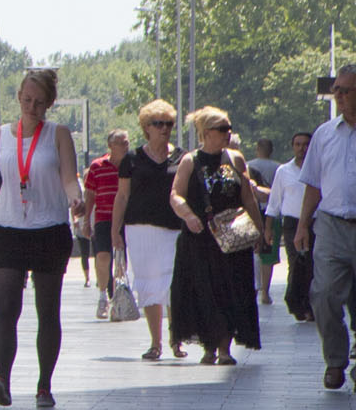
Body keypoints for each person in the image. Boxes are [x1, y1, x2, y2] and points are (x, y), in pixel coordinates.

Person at [0, 69, 87, 407]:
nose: (32, 107)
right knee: (6, 309)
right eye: (27, 100)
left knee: (47, 310)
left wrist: (76, 196)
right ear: (18, 97)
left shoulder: (58, 134)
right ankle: (4, 382)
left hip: (48, 229)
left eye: (39, 103)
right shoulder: (1, 136)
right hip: (8, 227)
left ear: (50, 104)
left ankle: (44, 384)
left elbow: (69, 178)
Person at [166, 106, 262, 366]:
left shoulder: (235, 159)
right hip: (200, 237)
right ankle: (209, 346)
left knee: (231, 290)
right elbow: (176, 194)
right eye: (222, 129)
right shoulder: (190, 161)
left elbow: (248, 198)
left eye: (229, 128)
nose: (228, 133)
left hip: (232, 236)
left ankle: (224, 348)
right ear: (206, 133)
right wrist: (188, 215)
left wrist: (259, 231)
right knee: (203, 291)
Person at [294, 68, 356, 391]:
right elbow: (313, 186)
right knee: (324, 293)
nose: (340, 96)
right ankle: (335, 359)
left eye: (346, 90)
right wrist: (303, 224)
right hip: (331, 224)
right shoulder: (325, 135)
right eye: (337, 90)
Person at [116, 102, 186, 357]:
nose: (164, 128)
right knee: (149, 284)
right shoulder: (132, 159)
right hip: (140, 228)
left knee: (172, 283)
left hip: (173, 228)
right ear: (147, 128)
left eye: (168, 123)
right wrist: (116, 232)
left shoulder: (181, 157)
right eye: (158, 124)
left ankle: (176, 338)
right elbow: (122, 196)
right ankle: (155, 343)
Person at [269, 130, 313, 317]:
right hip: (291, 223)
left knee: (313, 264)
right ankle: (295, 302)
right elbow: (274, 202)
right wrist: (268, 228)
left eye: (305, 144)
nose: (302, 148)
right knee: (295, 262)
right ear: (292, 147)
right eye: (298, 144)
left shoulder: (318, 169)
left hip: (314, 221)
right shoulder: (284, 171)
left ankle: (310, 306)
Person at [83, 130, 127, 315]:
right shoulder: (97, 166)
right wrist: (86, 220)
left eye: (126, 142)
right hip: (103, 218)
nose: (125, 146)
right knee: (103, 256)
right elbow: (90, 194)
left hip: (126, 219)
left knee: (122, 261)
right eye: (120, 143)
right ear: (110, 145)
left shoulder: (131, 166)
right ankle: (103, 296)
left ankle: (118, 296)